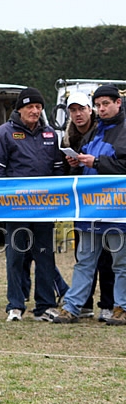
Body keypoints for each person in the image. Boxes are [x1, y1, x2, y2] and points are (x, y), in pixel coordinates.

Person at [0, 87, 64, 322]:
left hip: (45, 208)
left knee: (45, 256)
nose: (35, 111)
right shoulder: (4, 132)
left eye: (38, 107)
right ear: (19, 109)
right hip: (16, 208)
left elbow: (59, 170)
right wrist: (11, 194)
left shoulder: (50, 135)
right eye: (30, 106)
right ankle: (16, 305)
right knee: (16, 257)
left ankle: (45, 306)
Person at [53, 84, 126, 325]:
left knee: (120, 262)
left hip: (117, 210)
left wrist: (97, 162)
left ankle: (121, 307)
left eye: (106, 104)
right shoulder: (93, 133)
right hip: (89, 209)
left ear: (118, 103)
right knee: (85, 260)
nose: (101, 109)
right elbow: (85, 167)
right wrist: (75, 162)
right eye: (98, 105)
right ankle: (73, 307)